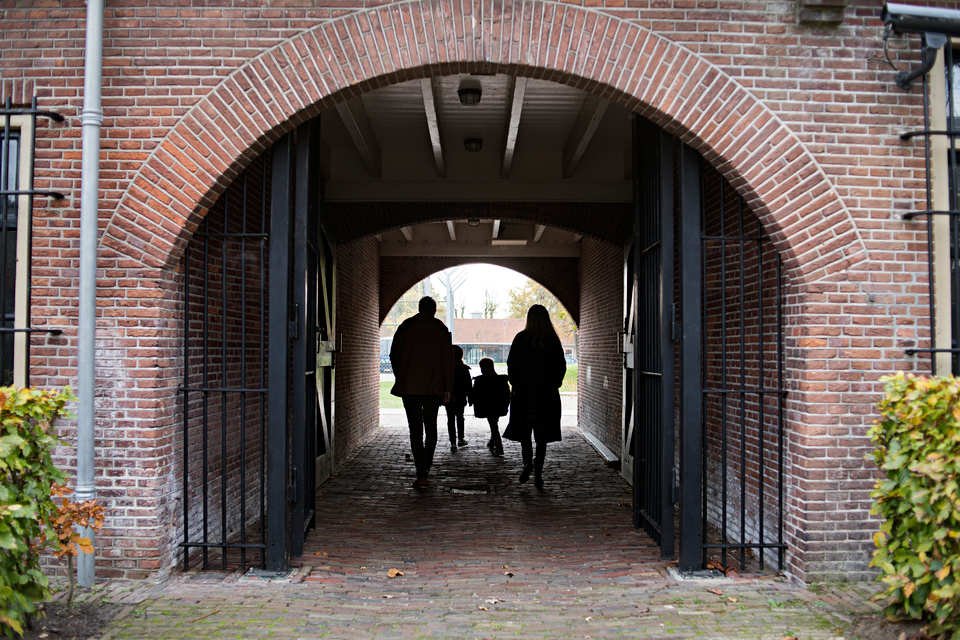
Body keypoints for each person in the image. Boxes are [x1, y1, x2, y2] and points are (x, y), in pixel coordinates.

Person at [390, 296, 453, 488]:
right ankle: (427, 466)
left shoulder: (406, 326)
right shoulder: (440, 329)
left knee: (415, 429)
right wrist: (448, 387)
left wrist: (401, 375)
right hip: (433, 387)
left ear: (419, 308)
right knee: (431, 427)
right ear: (434, 310)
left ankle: (421, 471)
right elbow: (447, 361)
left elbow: (394, 354)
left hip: (410, 386)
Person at [502, 304, 566, 487]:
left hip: (524, 393)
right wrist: (555, 383)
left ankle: (527, 462)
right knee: (542, 435)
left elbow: (511, 364)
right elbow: (561, 365)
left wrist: (516, 383)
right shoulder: (552, 340)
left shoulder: (521, 338)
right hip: (546, 394)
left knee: (525, 432)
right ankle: (538, 472)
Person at [471, 357, 510, 456]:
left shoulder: (480, 381)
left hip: (487, 406)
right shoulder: (501, 380)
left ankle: (499, 447)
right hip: (499, 405)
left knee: (494, 426)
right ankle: (492, 442)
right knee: (494, 424)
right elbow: (507, 394)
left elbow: (476, 395)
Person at [445, 345, 472, 452]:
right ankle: (461, 438)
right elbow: (468, 385)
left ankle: (452, 442)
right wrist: (470, 397)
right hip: (461, 396)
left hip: (450, 396)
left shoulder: (447, 369)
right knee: (460, 417)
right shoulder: (464, 369)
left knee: (450, 419)